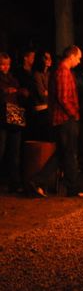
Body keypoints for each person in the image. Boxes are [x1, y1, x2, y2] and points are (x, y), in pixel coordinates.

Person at [29, 46, 83, 198]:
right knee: (69, 153)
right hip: (65, 119)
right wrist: (74, 114)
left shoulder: (62, 72)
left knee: (62, 153)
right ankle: (71, 188)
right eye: (78, 58)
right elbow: (63, 98)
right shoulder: (63, 72)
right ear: (72, 56)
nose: (79, 61)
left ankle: (38, 181)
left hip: (63, 118)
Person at [0, 52, 27, 193]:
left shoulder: (12, 78)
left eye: (7, 64)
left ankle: (14, 183)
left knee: (14, 152)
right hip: (2, 119)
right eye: (2, 64)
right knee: (2, 150)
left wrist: (20, 91)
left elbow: (21, 91)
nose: (5, 67)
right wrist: (6, 92)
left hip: (14, 117)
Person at [32, 51, 53, 141]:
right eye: (46, 58)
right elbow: (41, 93)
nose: (49, 60)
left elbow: (51, 90)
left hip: (48, 107)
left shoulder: (49, 74)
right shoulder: (37, 74)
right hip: (40, 109)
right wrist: (47, 93)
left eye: (49, 58)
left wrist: (48, 92)